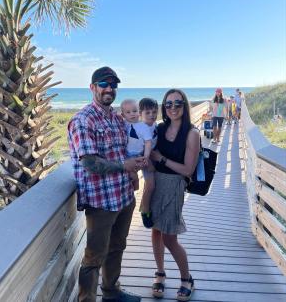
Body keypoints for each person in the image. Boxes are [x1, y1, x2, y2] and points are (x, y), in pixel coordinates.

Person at [68, 66, 144, 302]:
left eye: (113, 85)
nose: (109, 88)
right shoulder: (83, 120)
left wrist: (134, 170)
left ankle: (111, 292)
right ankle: (87, 299)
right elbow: (90, 162)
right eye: (103, 84)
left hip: (123, 196)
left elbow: (123, 151)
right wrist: (125, 166)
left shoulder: (116, 118)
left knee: (117, 247)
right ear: (92, 88)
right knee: (93, 257)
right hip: (101, 202)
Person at [150, 89, 200, 301]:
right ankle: (160, 273)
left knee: (170, 237)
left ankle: (187, 278)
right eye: (168, 104)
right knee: (155, 231)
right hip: (155, 184)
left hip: (174, 185)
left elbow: (188, 170)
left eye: (177, 103)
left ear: (184, 106)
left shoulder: (192, 133)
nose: (172, 108)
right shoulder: (160, 128)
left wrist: (161, 159)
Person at [120, 98, 158, 228]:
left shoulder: (152, 126)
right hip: (131, 158)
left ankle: (145, 210)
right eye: (147, 113)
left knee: (151, 184)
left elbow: (150, 143)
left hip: (145, 158)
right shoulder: (128, 124)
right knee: (134, 182)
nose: (152, 115)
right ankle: (137, 204)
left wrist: (147, 158)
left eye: (154, 112)